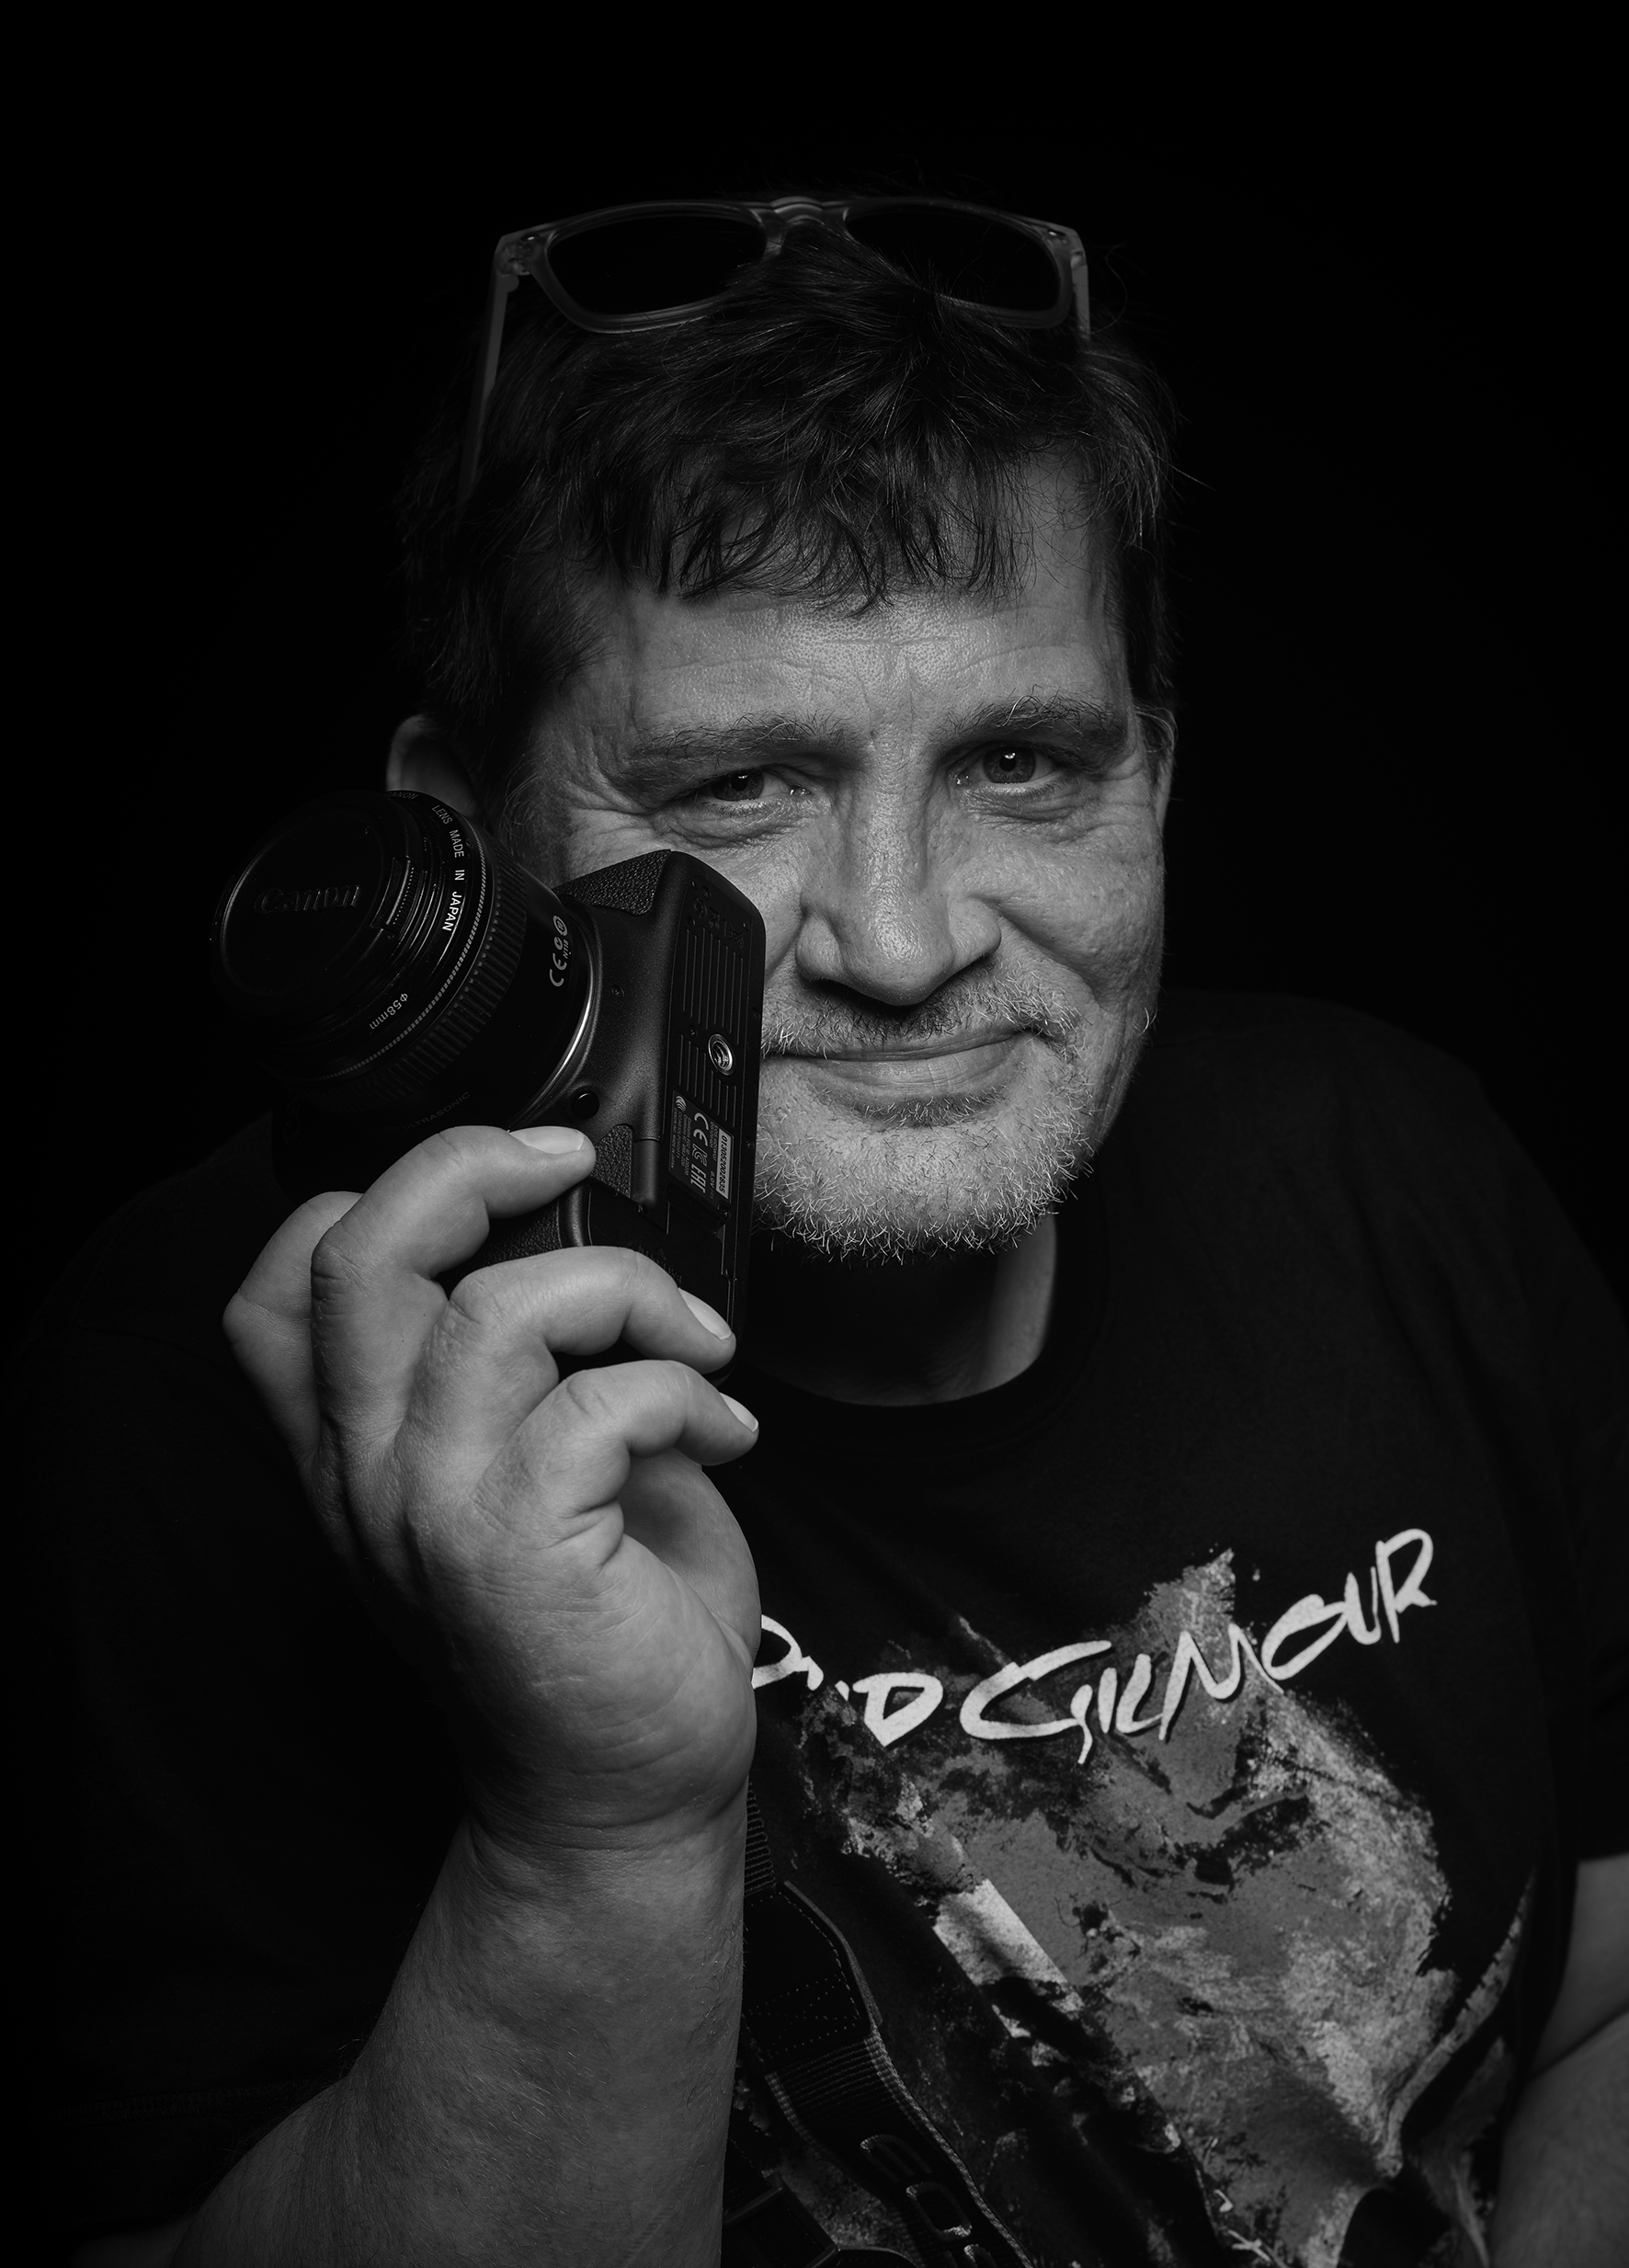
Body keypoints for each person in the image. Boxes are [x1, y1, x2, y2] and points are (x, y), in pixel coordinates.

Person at [35, 196, 1626, 2268]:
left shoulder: (1391, 1165)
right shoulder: (206, 1373)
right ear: (464, 833)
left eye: (1021, 762)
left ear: (1154, 779)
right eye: (736, 788)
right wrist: (594, 1832)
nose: (900, 939)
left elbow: (1609, 1996)